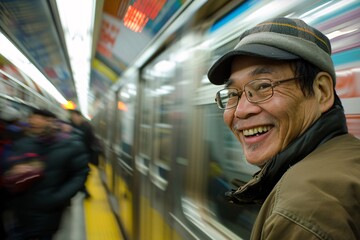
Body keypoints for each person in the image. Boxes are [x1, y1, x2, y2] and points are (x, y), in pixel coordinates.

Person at [207, 17, 360, 239]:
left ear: (322, 91)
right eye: (232, 95)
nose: (240, 111)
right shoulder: (347, 154)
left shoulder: (301, 211)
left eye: (262, 86)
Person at [3, 108, 89, 239]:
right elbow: (7, 166)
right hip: (20, 211)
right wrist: (12, 171)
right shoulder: (23, 143)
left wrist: (58, 197)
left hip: (47, 215)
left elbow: (81, 173)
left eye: (40, 119)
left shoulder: (71, 145)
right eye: (32, 119)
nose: (34, 122)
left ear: (52, 122)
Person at [68, 109, 98, 199]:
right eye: (72, 117)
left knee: (83, 173)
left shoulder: (87, 127)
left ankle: (82, 189)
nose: (74, 118)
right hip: (72, 154)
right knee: (75, 174)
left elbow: (92, 141)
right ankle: (81, 190)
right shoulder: (69, 126)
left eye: (75, 116)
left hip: (84, 154)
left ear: (80, 117)